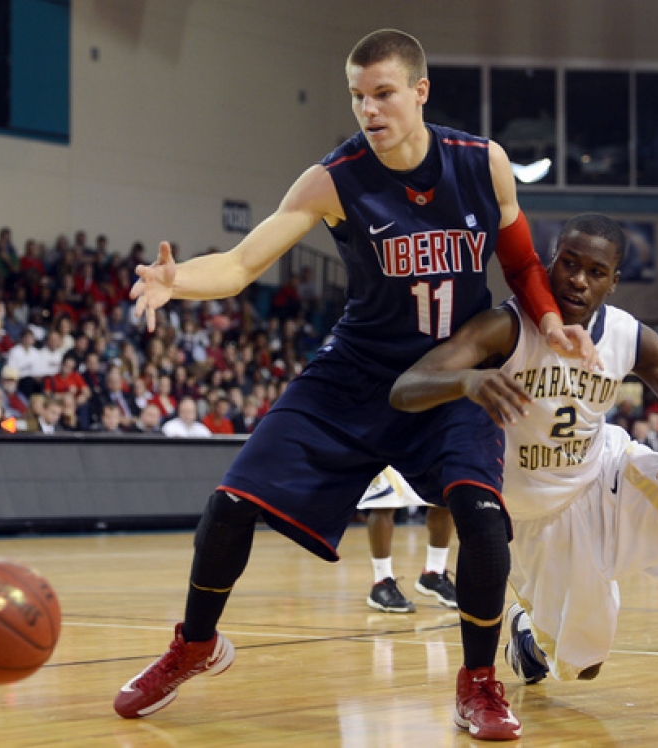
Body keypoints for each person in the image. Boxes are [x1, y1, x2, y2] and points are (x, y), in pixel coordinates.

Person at [113, 28, 593, 742]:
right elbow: (245, 263)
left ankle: (479, 682)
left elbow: (522, 264)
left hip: (451, 376)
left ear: (420, 92)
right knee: (229, 504)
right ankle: (195, 644)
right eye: (357, 97)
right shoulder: (333, 178)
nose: (369, 110)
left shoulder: (481, 162)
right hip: (356, 373)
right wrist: (178, 281)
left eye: (383, 94)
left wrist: (549, 322)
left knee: (483, 518)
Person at [389, 212, 658, 727]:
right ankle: (526, 633)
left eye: (596, 271)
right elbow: (405, 387)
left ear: (614, 281)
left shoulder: (629, 336)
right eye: (569, 264)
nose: (578, 278)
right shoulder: (506, 326)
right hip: (538, 513)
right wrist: (465, 381)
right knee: (586, 666)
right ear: (549, 265)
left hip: (610, 469)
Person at [359, 466, 457, 613]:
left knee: (443, 498)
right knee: (383, 502)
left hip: (426, 444)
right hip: (386, 446)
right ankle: (381, 580)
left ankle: (434, 572)